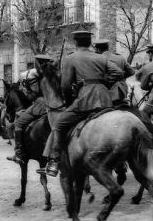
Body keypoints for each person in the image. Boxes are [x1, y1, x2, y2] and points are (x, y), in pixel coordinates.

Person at [38, 30, 123, 177]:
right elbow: (119, 73)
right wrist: (103, 82)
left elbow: (65, 85)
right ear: (90, 43)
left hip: (85, 99)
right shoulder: (100, 57)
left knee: (59, 125)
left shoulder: (71, 58)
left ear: (75, 43)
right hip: (104, 98)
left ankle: (54, 161)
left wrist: (70, 98)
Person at [7, 56, 52, 164]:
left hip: (41, 104)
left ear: (37, 62)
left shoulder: (29, 74)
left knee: (19, 123)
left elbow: (29, 94)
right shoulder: (54, 73)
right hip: (57, 105)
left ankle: (19, 152)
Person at [93, 38, 135, 106]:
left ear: (98, 49)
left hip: (104, 90)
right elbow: (132, 72)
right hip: (120, 90)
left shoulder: (97, 59)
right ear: (108, 47)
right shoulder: (120, 58)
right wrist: (121, 77)